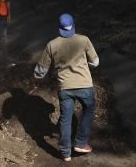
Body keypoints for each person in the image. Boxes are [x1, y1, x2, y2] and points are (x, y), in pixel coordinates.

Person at [34, 13, 99, 162]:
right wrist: (85, 64)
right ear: (74, 26)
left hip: (65, 87)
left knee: (65, 118)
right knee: (88, 110)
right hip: (84, 85)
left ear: (59, 28)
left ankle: (65, 152)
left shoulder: (52, 44)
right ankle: (81, 143)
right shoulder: (84, 40)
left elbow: (41, 70)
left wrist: (36, 76)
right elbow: (95, 62)